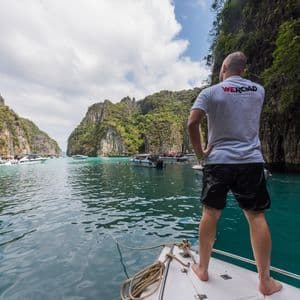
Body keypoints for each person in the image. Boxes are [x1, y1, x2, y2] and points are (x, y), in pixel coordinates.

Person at [187, 51, 282, 296]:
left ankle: (203, 269)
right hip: (250, 161)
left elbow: (192, 123)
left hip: (218, 161)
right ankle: (265, 281)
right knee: (256, 217)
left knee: (210, 213)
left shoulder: (210, 93)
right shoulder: (258, 90)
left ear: (224, 68)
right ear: (244, 70)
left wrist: (202, 154)